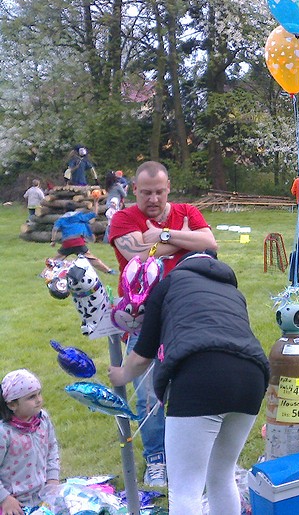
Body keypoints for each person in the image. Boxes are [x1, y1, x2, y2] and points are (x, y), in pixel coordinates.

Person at [109, 251, 268, 515]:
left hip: (200, 375)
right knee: (222, 474)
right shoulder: (233, 292)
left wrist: (121, 375)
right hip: (251, 378)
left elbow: (142, 354)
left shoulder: (168, 284)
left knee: (185, 489)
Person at [108, 160, 218, 487]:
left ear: (168, 187)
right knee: (149, 394)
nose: (153, 199)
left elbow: (210, 244)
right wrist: (186, 239)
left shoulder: (186, 210)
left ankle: (187, 455)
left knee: (189, 388)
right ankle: (156, 457)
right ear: (134, 190)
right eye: (146, 193)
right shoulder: (123, 218)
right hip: (143, 319)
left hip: (186, 315)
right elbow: (137, 255)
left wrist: (163, 235)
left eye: (159, 191)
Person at [0, 370, 60, 513]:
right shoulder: (4, 432)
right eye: (31, 397)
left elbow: (52, 449)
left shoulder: (43, 419)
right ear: (12, 405)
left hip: (42, 496)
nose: (39, 400)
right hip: (13, 503)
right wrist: (4, 498)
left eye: (39, 393)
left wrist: (53, 479)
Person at [50, 200, 116, 274]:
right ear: (75, 209)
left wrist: (53, 241)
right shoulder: (79, 216)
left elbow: (55, 229)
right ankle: (108, 271)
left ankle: (45, 273)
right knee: (91, 258)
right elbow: (94, 214)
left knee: (56, 260)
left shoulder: (61, 219)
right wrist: (96, 202)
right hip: (78, 242)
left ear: (64, 210)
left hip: (67, 243)